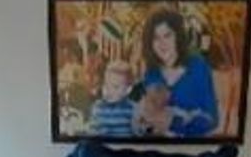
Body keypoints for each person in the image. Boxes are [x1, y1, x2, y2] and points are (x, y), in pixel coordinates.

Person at [140, 8, 218, 137]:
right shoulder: (151, 74)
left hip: (192, 146)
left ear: (178, 36)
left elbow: (211, 119)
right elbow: (146, 122)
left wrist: (173, 123)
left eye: (167, 35)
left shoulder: (198, 67)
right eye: (156, 38)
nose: (162, 43)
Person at [89, 60, 137, 137]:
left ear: (128, 89)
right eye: (107, 85)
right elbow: (93, 132)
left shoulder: (133, 109)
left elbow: (139, 134)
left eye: (115, 87)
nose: (109, 90)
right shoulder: (98, 107)